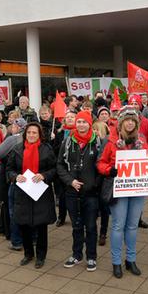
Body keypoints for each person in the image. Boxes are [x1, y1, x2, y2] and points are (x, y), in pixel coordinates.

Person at [97, 108, 148, 278]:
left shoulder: (141, 140)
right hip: (118, 189)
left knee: (133, 225)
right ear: (120, 123)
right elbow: (100, 163)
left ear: (136, 123)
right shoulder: (111, 141)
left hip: (137, 188)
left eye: (132, 120)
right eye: (127, 120)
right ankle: (116, 262)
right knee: (118, 225)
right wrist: (109, 170)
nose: (129, 123)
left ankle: (131, 260)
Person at [6, 121, 57, 268]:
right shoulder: (17, 149)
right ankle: (28, 254)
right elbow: (9, 169)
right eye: (29, 132)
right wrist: (15, 177)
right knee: (24, 225)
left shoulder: (46, 149)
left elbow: (55, 169)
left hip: (41, 193)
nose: (31, 135)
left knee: (41, 226)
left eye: (34, 132)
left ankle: (41, 256)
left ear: (39, 134)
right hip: (23, 192)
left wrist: (44, 175)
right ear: (25, 134)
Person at [58, 110, 104, 271]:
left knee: (90, 226)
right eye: (79, 122)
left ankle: (91, 256)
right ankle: (77, 254)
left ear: (89, 124)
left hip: (91, 193)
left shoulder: (97, 141)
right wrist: (70, 181)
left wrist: (94, 184)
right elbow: (60, 165)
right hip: (72, 192)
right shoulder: (68, 141)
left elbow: (102, 166)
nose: (81, 125)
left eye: (84, 122)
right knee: (76, 225)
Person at [0, 118, 25, 250]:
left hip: (11, 176)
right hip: (23, 177)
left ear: (17, 128)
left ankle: (13, 237)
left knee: (10, 206)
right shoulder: (27, 139)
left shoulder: (13, 139)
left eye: (13, 125)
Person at [53, 110, 77, 226]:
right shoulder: (60, 133)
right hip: (62, 169)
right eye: (68, 117)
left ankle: (75, 217)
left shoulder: (79, 132)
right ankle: (61, 217)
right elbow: (55, 150)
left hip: (75, 170)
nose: (70, 119)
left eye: (72, 117)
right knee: (62, 196)